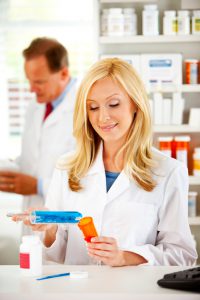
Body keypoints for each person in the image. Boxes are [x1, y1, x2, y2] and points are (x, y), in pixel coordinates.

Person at [18, 58, 197, 266]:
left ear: (135, 104)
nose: (103, 117)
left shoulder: (169, 171)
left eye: (113, 104)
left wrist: (124, 256)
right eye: (93, 108)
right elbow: (55, 256)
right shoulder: (67, 168)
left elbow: (182, 255)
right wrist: (50, 230)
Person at [0, 37, 77, 218]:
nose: (31, 89)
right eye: (29, 80)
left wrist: (38, 186)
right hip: (32, 215)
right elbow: (32, 160)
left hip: (63, 221)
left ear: (63, 74)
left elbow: (90, 180)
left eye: (39, 82)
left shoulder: (86, 110)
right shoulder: (35, 106)